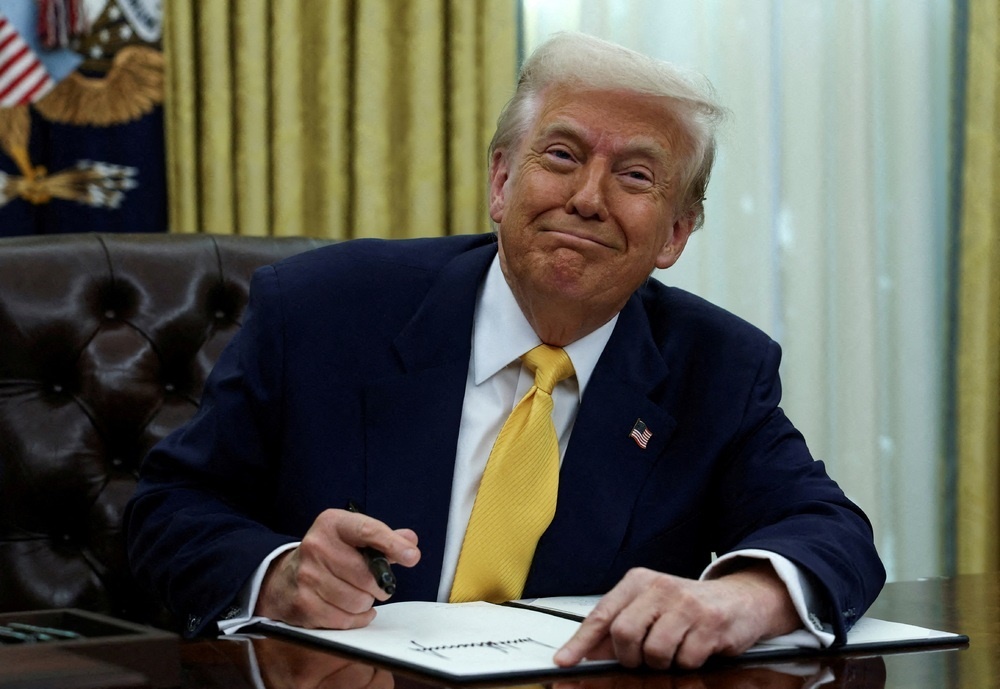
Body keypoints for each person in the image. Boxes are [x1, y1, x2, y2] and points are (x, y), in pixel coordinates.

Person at [125, 32, 885, 670]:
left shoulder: (717, 366)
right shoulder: (324, 310)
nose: (587, 196)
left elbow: (832, 530)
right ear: (500, 181)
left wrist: (741, 596)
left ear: (677, 234)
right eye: (561, 155)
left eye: (635, 176)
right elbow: (168, 509)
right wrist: (277, 575)